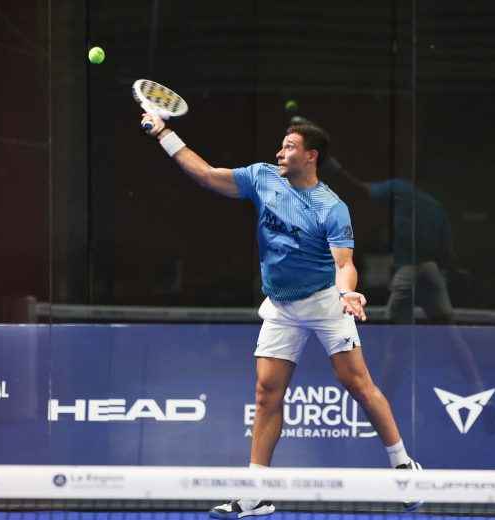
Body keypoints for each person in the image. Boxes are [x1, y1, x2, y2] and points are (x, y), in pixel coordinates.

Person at [140, 112, 424, 517]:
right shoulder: (262, 177)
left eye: (289, 147)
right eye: (281, 145)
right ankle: (256, 494)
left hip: (325, 301)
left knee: (357, 383)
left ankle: (403, 466)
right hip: (280, 305)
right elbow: (206, 175)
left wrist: (348, 294)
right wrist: (165, 134)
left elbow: (344, 263)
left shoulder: (332, 207)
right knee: (266, 395)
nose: (280, 152)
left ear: (311, 156)